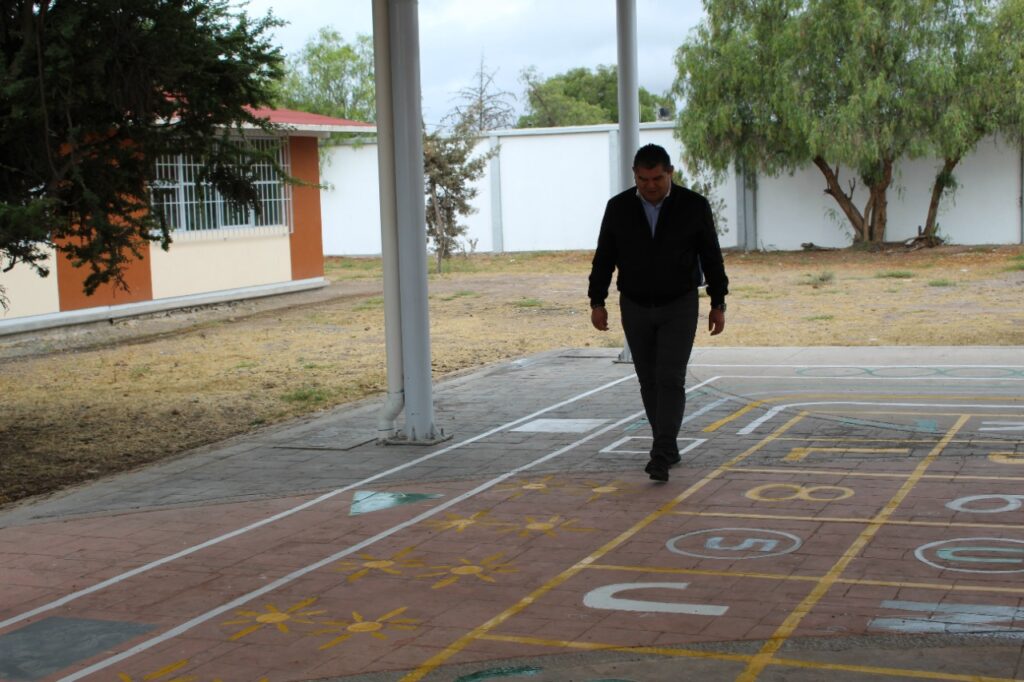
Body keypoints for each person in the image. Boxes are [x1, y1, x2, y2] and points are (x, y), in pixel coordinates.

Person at [587, 144, 729, 482]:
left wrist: (718, 302)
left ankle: (661, 452)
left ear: (671, 173)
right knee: (648, 380)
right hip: (634, 305)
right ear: (634, 176)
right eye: (643, 179)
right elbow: (604, 256)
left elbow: (712, 255)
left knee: (670, 377)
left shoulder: (694, 206)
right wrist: (597, 301)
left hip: (679, 304)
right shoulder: (618, 207)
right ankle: (667, 443)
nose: (650, 185)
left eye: (657, 178)